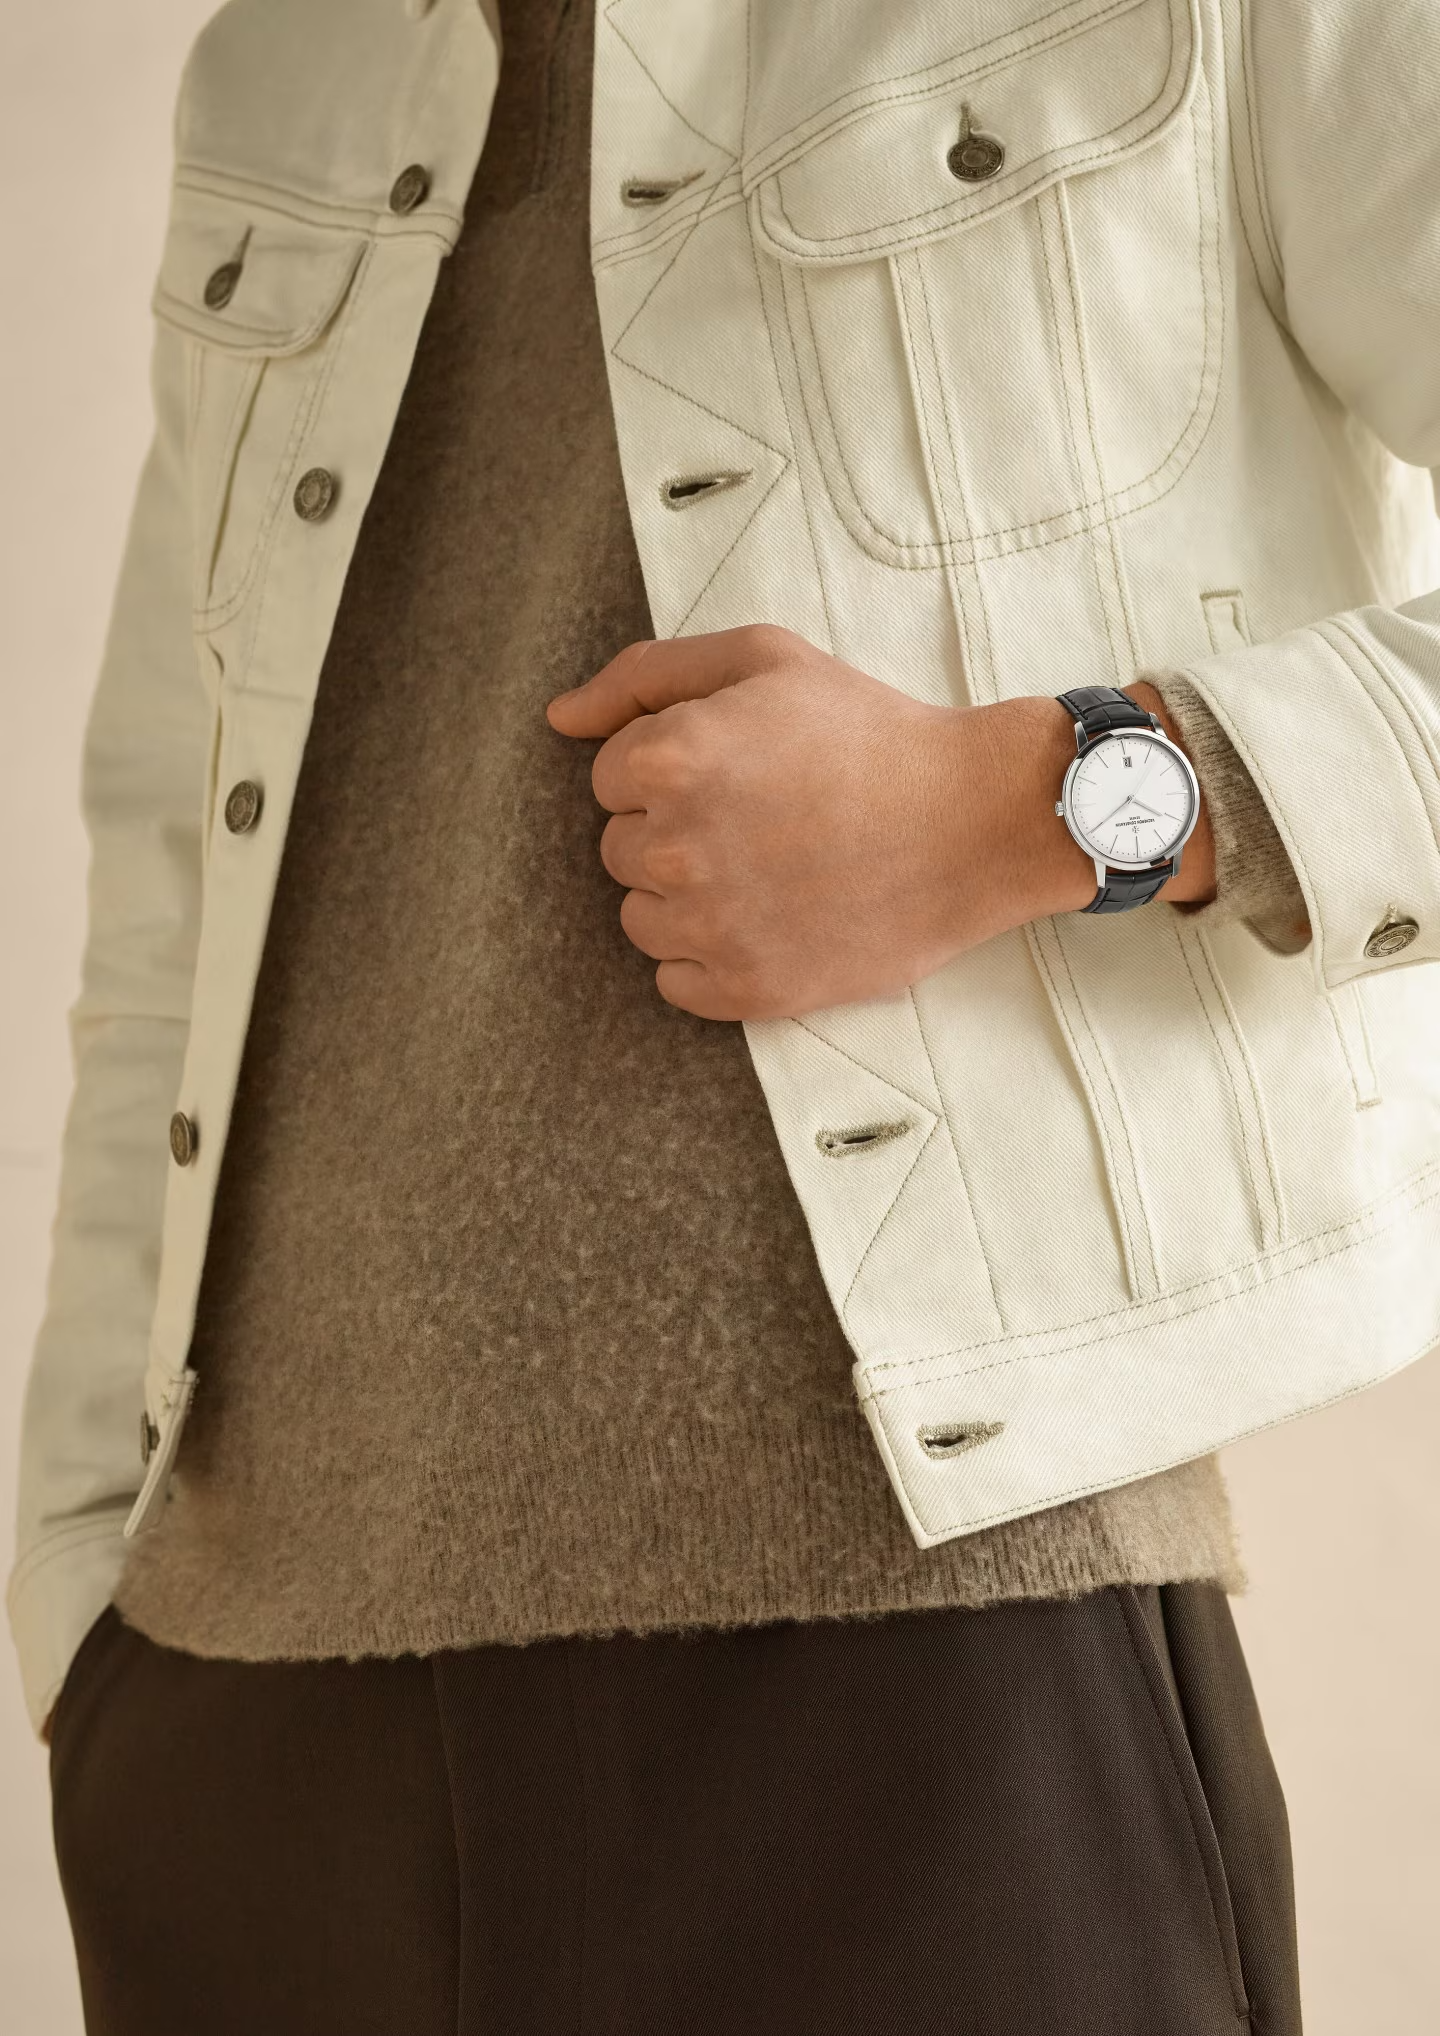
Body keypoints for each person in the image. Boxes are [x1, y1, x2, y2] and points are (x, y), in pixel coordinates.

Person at [12, 0, 1440, 2028]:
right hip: (236, 1727)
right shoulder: (285, 66)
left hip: (929, 1669)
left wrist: (1034, 801)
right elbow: (175, 858)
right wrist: (84, 1590)